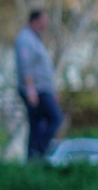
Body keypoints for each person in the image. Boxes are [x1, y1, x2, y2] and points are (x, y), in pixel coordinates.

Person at [15, 10, 63, 161]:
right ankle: (41, 149)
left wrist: (53, 90)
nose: (46, 23)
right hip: (36, 89)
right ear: (35, 21)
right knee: (56, 117)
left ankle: (32, 158)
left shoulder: (36, 40)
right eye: (44, 20)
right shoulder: (25, 38)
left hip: (43, 89)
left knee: (36, 124)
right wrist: (30, 89)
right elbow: (25, 65)